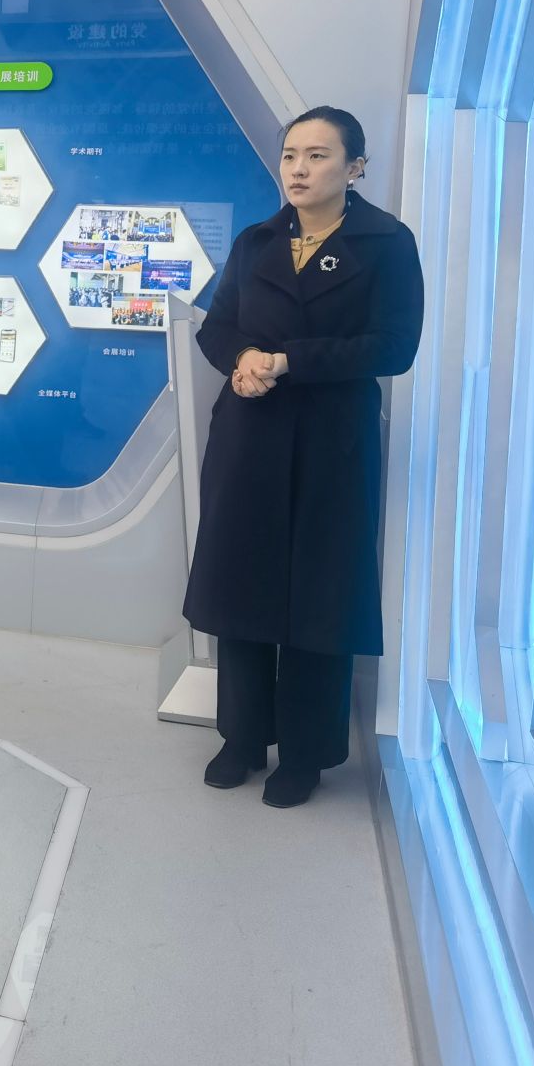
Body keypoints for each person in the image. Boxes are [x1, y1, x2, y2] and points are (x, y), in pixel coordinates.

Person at [184, 105, 425, 808]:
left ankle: (306, 754)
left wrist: (289, 360)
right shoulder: (257, 240)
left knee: (321, 595)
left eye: (318, 156)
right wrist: (242, 359)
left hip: (331, 441)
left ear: (355, 168)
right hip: (249, 434)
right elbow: (217, 326)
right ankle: (241, 737)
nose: (299, 169)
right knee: (243, 585)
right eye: (291, 155)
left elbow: (394, 347)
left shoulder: (387, 243)